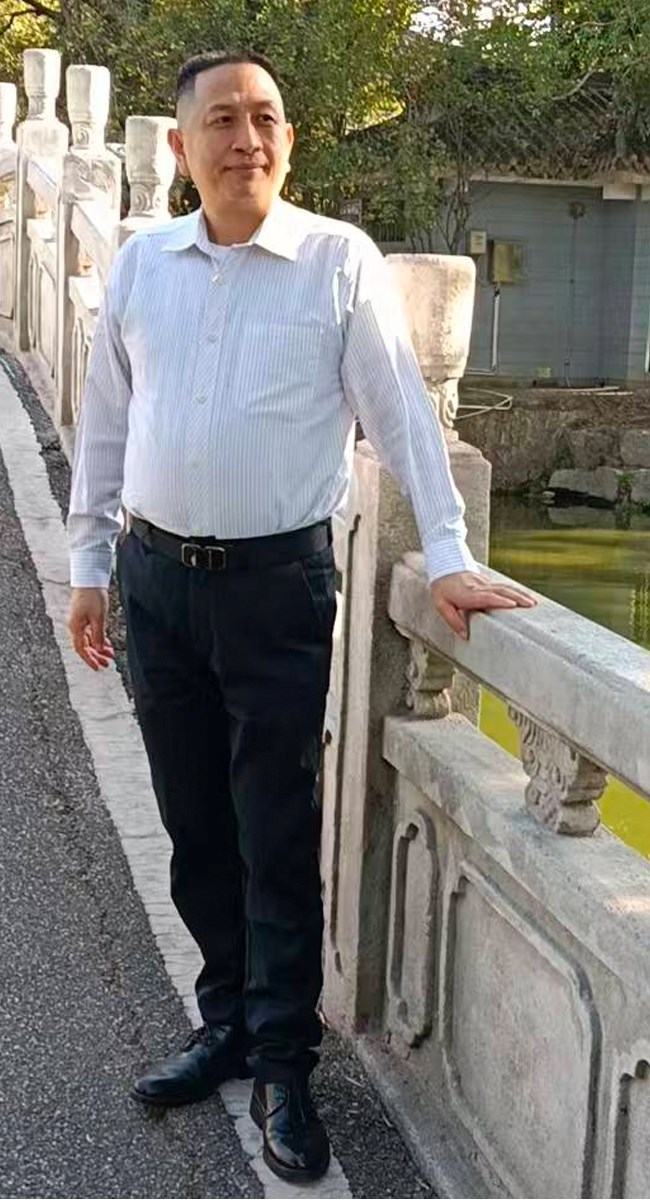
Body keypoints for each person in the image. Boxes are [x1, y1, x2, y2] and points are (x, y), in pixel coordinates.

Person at [66, 48, 534, 1185]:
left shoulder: (336, 260)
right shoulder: (143, 267)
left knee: (272, 831)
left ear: (288, 138)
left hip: (274, 591)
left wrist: (451, 555)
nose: (248, 138)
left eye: (266, 117)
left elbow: (401, 418)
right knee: (193, 826)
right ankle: (224, 1020)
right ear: (180, 149)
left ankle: (283, 1062)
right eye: (222, 120)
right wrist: (88, 567)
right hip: (155, 582)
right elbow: (107, 422)